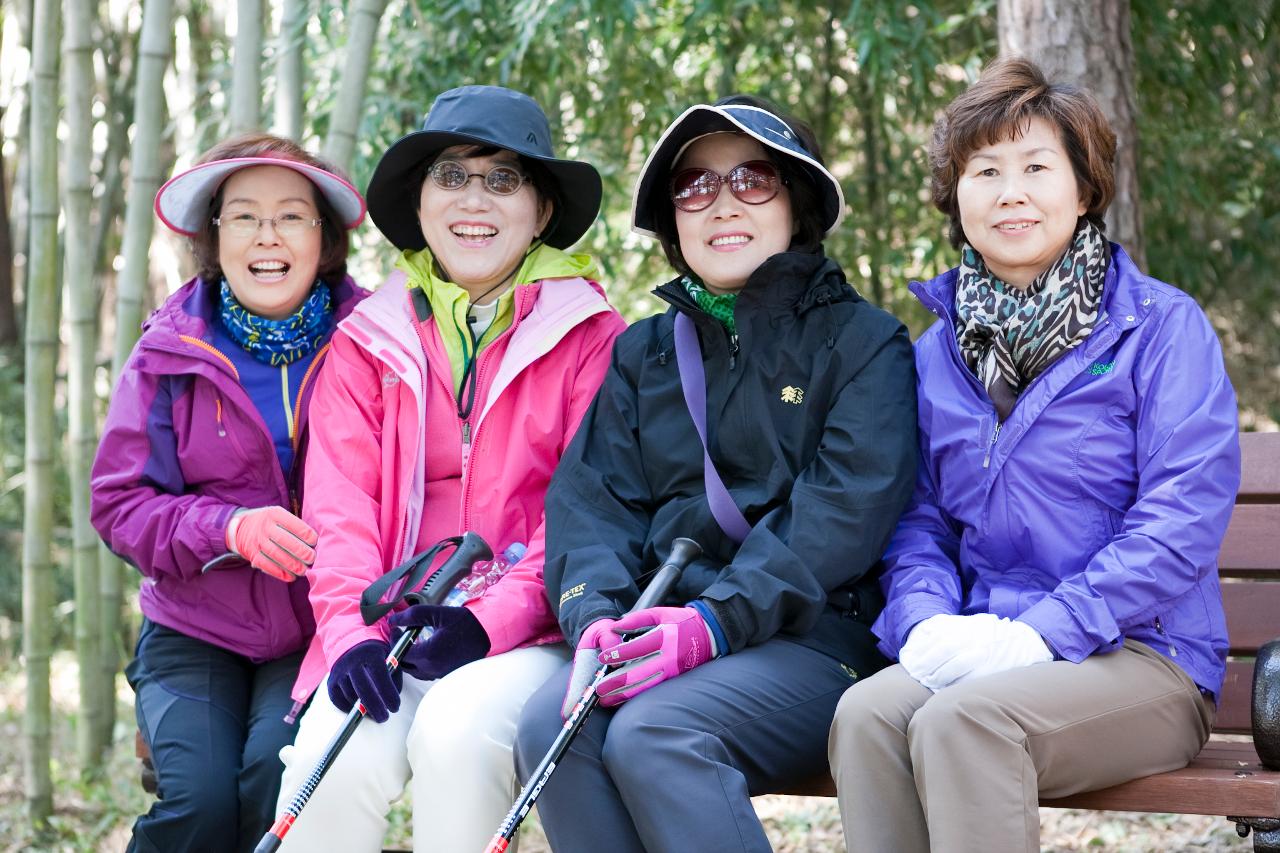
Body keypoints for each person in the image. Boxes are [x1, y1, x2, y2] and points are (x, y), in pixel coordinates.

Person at [827, 57, 1240, 853]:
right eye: (985, 170)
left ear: (1083, 190)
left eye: (1036, 166)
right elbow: (917, 519)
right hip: (992, 640)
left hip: (1143, 655)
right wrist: (922, 622)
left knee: (963, 723)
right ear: (958, 200)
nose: (1010, 191)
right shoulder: (936, 354)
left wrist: (1046, 631)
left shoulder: (1159, 328)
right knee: (867, 713)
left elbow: (1179, 519)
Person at [514, 94, 918, 852]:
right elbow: (590, 501)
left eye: (752, 178)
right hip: (664, 627)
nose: (721, 203)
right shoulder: (643, 355)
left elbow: (843, 512)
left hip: (819, 639)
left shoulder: (865, 343)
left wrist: (714, 622)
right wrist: (596, 616)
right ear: (674, 220)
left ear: (796, 200)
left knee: (657, 734)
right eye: (694, 185)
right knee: (553, 725)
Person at [273, 85, 626, 852]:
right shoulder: (366, 340)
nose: (477, 200)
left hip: (529, 632)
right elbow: (338, 510)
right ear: (421, 199)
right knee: (329, 758)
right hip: (387, 625)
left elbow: (587, 514)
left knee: (458, 734)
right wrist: (349, 636)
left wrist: (486, 620)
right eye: (453, 176)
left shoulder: (591, 338)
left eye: (504, 180)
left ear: (541, 210)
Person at [90, 133, 368, 852]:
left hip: (316, 627)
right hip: (194, 628)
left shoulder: (372, 341)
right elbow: (119, 504)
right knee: (200, 804)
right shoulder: (169, 349)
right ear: (215, 236)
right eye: (243, 216)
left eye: (291, 216)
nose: (267, 236)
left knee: (274, 788)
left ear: (324, 237)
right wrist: (227, 526)